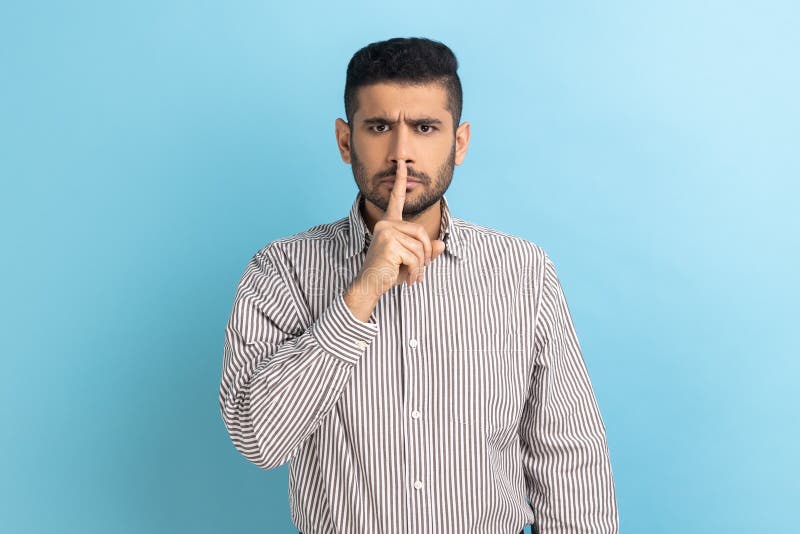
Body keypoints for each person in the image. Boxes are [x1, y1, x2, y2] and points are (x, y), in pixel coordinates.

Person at [219, 36, 619, 534]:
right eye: (380, 126)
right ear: (346, 141)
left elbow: (569, 462)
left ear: (460, 141)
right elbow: (259, 439)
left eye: (425, 127)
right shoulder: (281, 270)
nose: (401, 154)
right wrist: (362, 291)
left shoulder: (523, 273)